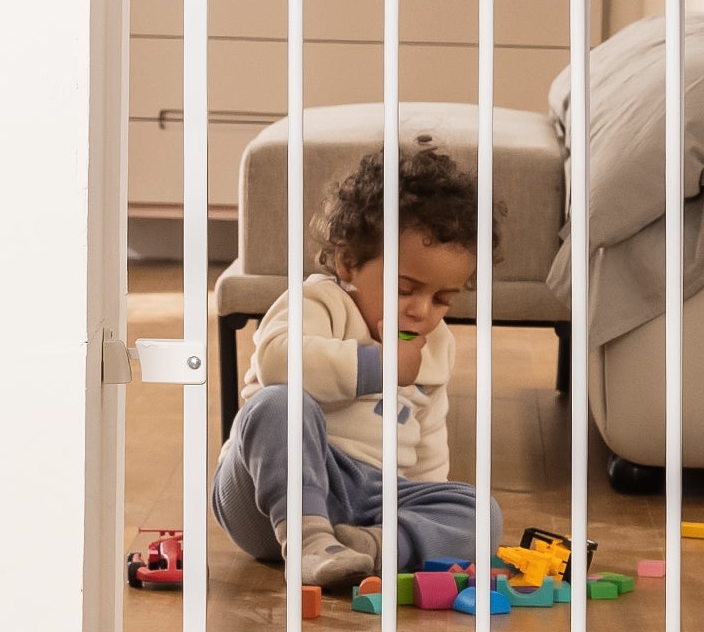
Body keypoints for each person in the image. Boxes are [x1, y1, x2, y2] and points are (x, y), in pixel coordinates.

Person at [212, 138, 502, 590]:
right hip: (269, 494)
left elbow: (428, 452)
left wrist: (420, 510)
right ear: (348, 262)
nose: (422, 310)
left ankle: (369, 547)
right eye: (406, 289)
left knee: (482, 514)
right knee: (275, 404)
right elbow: (274, 361)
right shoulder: (320, 302)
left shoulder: (436, 345)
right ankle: (308, 543)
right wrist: (378, 365)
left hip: (371, 496)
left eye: (443, 298)